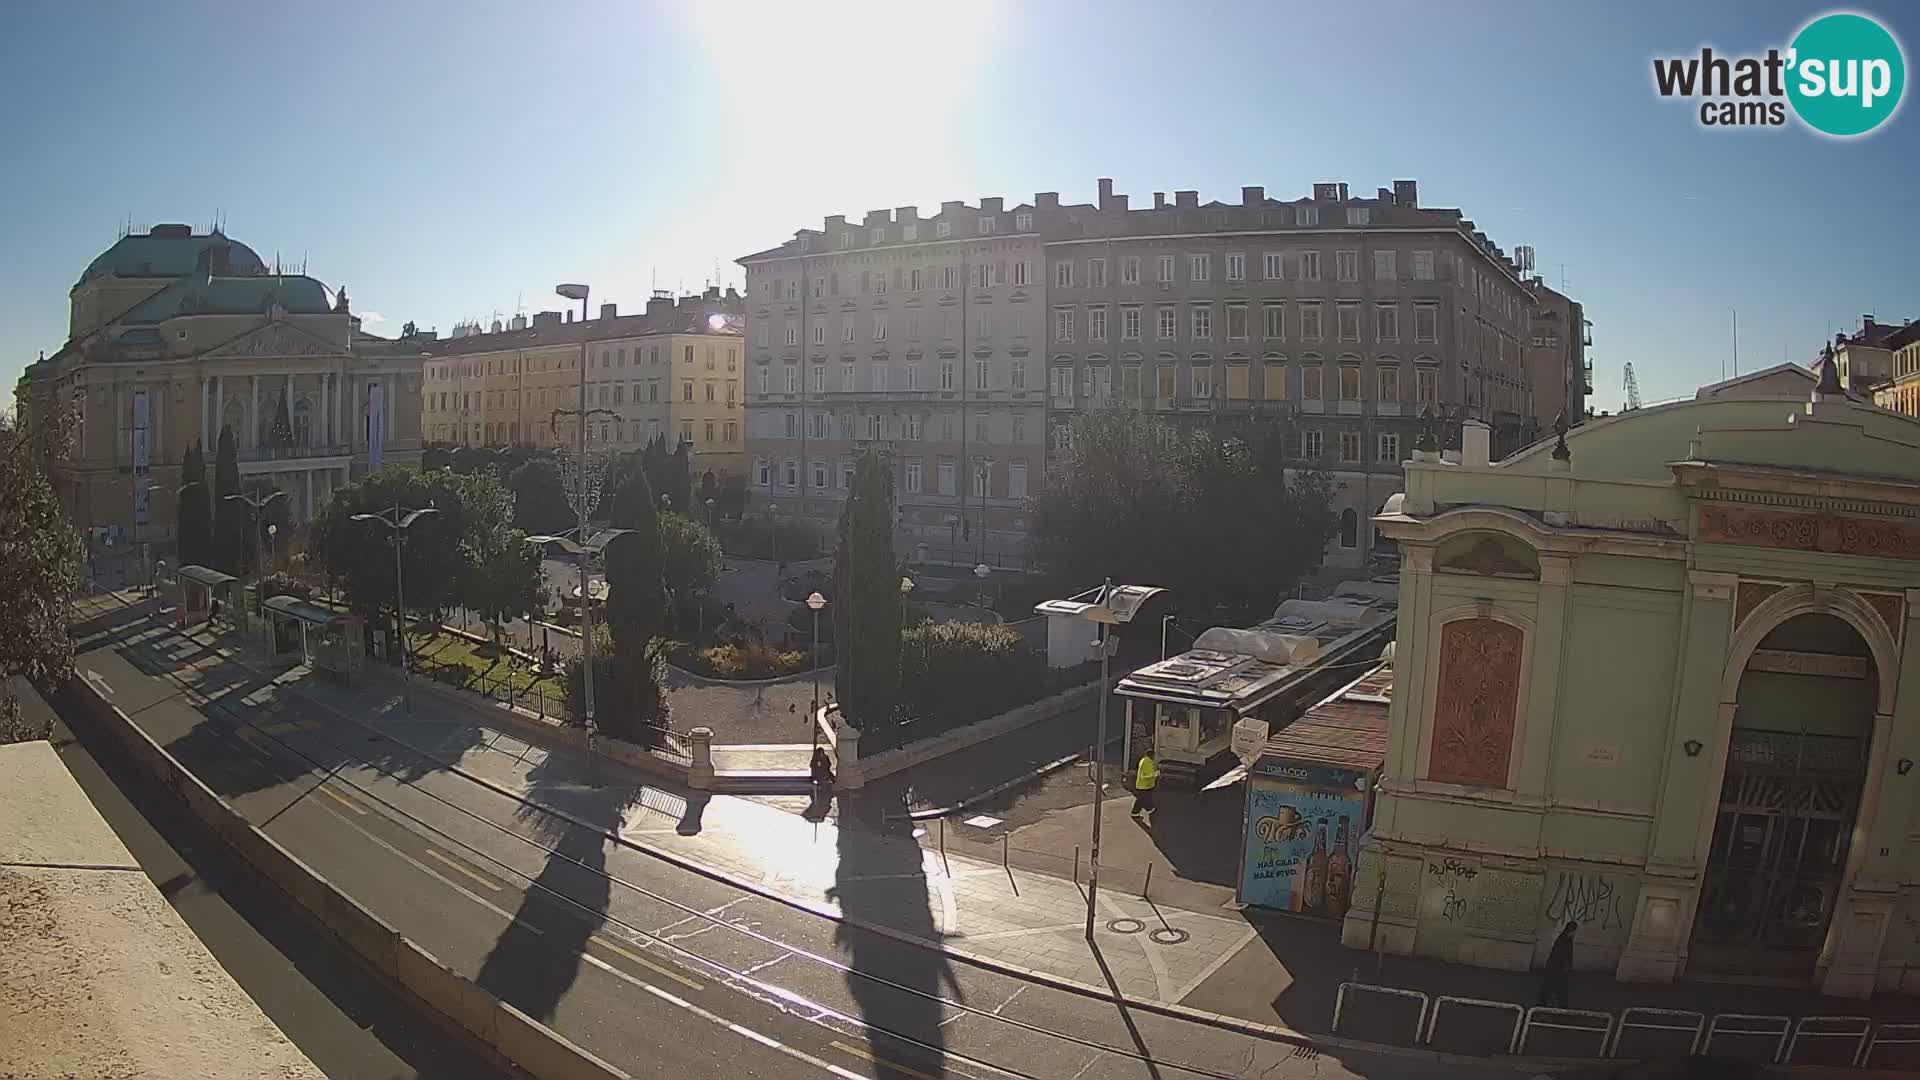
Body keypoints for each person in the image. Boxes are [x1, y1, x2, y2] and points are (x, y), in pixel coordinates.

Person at [1538, 920, 1578, 1007]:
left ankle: (1547, 1003)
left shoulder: (1565, 939)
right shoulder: (1563, 940)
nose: (1574, 933)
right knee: (1554, 986)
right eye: (1574, 931)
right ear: (1571, 930)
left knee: (1552, 986)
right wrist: (1565, 966)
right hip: (1556, 968)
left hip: (1557, 967)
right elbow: (1560, 955)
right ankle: (1556, 1004)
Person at [1131, 752, 1158, 824]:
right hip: (1144, 785)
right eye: (1154, 755)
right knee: (1142, 799)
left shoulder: (1145, 761)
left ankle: (1147, 809)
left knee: (1143, 798)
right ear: (1151, 755)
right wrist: (1155, 774)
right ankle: (1145, 810)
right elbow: (1144, 775)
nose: (1155, 757)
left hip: (1145, 785)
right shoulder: (1147, 763)